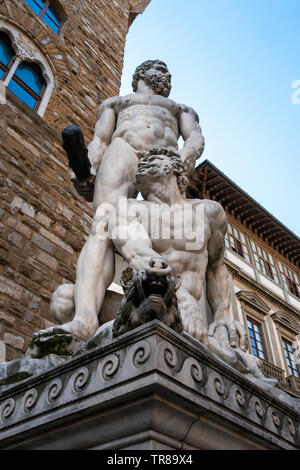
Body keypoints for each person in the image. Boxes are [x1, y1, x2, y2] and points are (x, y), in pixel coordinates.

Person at [35, 60, 205, 341]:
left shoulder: (180, 109)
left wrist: (183, 159)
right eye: (158, 69)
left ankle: (175, 308)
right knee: (103, 222)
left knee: (170, 233)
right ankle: (85, 319)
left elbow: (195, 137)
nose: (165, 74)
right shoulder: (116, 103)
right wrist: (88, 168)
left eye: (166, 71)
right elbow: (101, 139)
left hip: (164, 160)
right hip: (124, 148)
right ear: (140, 74)